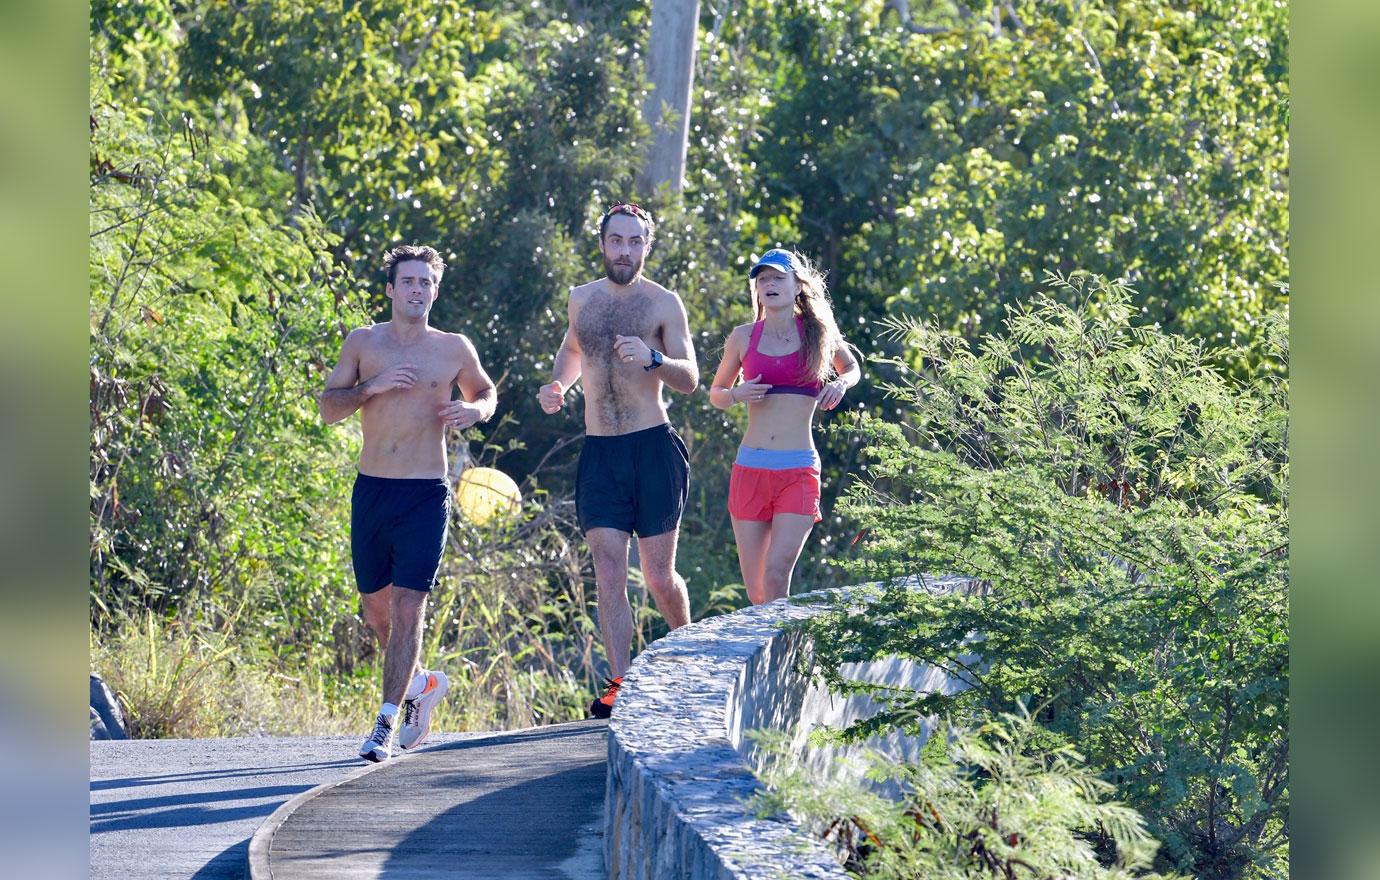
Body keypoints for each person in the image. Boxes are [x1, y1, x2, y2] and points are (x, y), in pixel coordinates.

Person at [318, 244, 497, 762]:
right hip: (372, 489)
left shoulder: (453, 348)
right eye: (409, 282)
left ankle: (385, 723)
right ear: (392, 289)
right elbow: (329, 408)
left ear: (435, 291)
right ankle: (421, 684)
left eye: (426, 283)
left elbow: (485, 392)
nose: (418, 290)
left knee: (408, 605)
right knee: (376, 608)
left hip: (426, 492)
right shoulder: (363, 342)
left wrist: (474, 411)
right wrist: (371, 386)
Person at [537, 203, 698, 718]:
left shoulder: (663, 304)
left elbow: (690, 377)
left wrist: (654, 359)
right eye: (616, 241)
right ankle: (620, 683)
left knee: (657, 576)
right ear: (602, 243)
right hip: (600, 452)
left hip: (652, 448)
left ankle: (689, 658)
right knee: (608, 569)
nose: (624, 251)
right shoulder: (580, 299)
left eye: (634, 242)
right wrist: (559, 383)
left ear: (646, 247)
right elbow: (572, 349)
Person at [708, 248, 861, 605]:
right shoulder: (743, 337)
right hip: (750, 468)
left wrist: (840, 384)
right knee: (757, 592)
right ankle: (778, 660)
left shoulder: (818, 333)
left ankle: (791, 662)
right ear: (757, 290)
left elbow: (852, 368)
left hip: (797, 469)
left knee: (777, 576)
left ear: (797, 287)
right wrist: (737, 394)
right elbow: (716, 393)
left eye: (778, 277)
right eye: (763, 279)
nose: (769, 284)